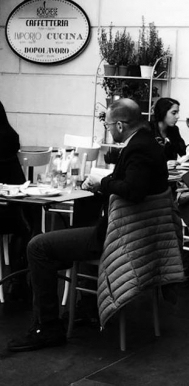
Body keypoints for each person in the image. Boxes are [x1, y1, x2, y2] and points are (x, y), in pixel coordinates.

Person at [7, 98, 169, 353]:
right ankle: (87, 305)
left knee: (38, 245)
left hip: (118, 237)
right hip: (134, 232)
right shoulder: (149, 144)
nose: (107, 129)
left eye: (107, 125)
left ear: (118, 125)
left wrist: (100, 184)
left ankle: (47, 327)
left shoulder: (138, 148)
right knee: (73, 226)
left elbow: (133, 190)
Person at [0, 101, 31, 299]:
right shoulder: (10, 138)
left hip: (6, 210)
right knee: (26, 227)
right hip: (14, 207)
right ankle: (18, 277)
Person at [150, 97, 189, 169]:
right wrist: (162, 165)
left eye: (177, 112)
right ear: (162, 112)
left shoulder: (173, 130)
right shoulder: (148, 130)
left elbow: (183, 152)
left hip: (172, 175)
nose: (177, 116)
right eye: (174, 113)